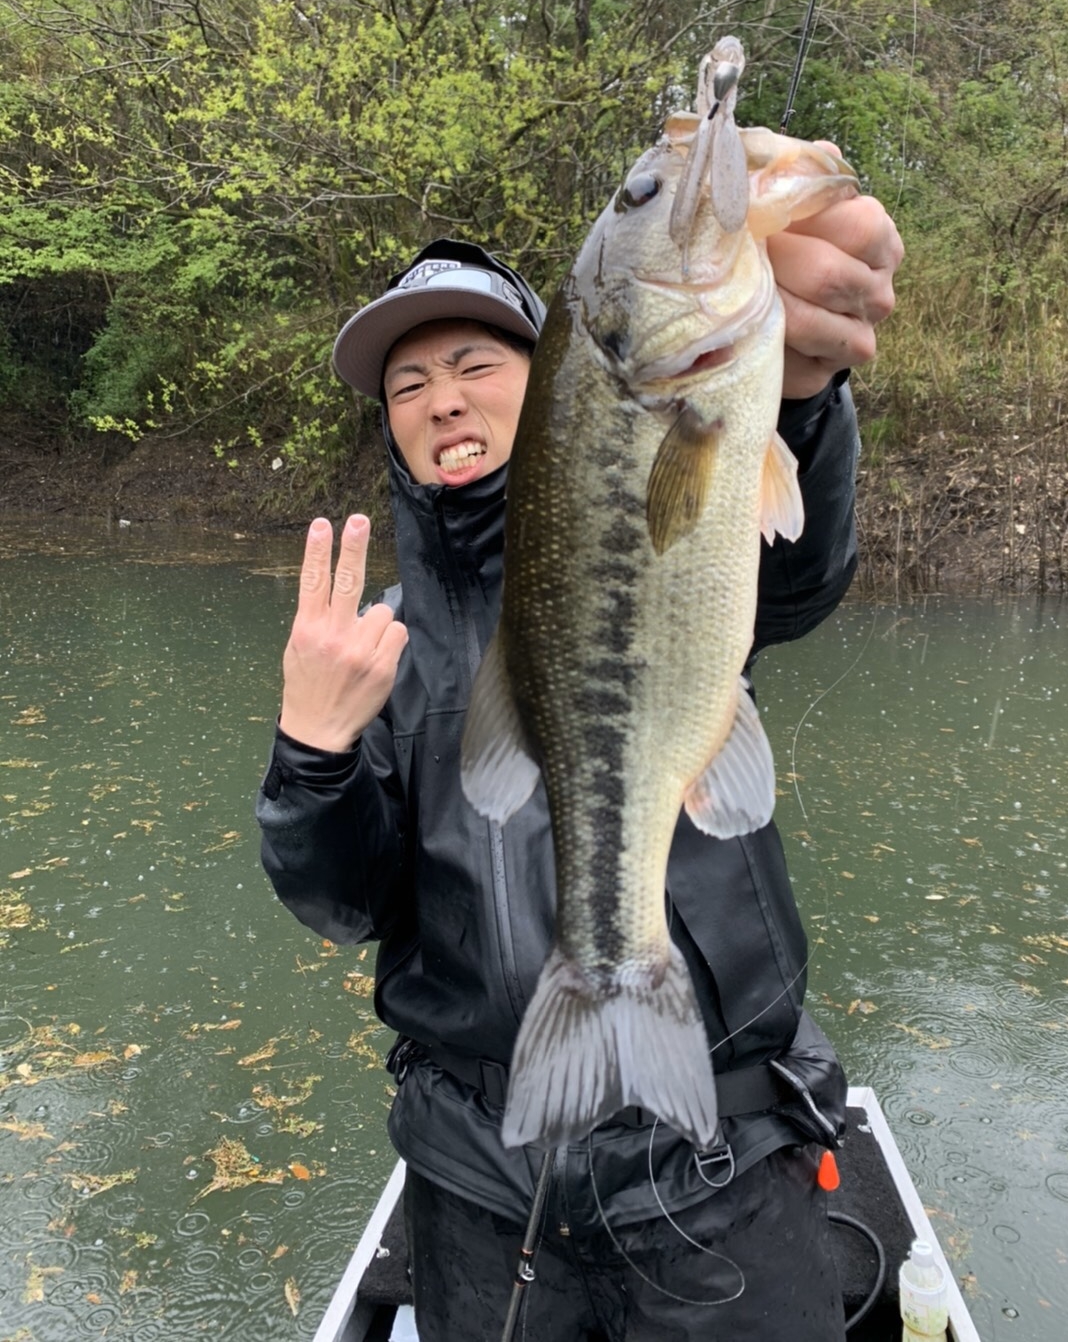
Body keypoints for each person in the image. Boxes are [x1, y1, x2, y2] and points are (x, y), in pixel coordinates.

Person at [257, 183, 903, 1341]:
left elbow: (796, 570)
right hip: (479, 1179)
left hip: (721, 1156)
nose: (439, 400)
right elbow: (343, 901)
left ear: (556, 377)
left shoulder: (657, 517)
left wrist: (801, 398)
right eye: (406, 386)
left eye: (473, 364)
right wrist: (313, 752)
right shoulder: (373, 641)